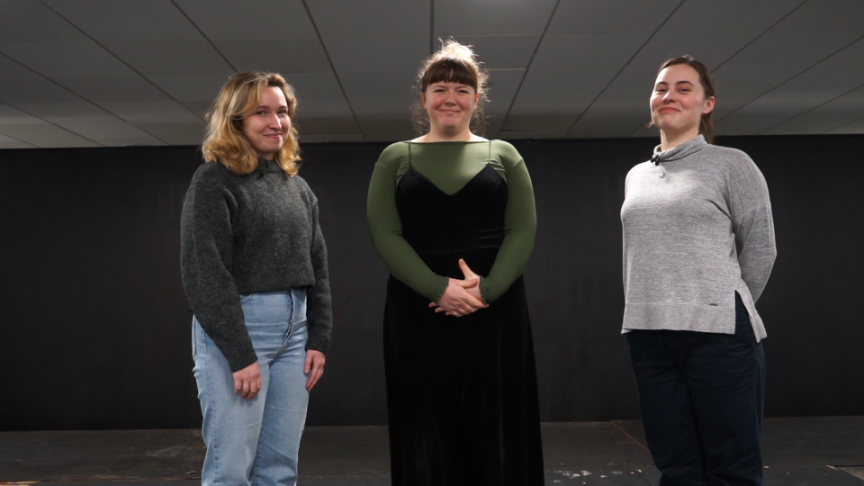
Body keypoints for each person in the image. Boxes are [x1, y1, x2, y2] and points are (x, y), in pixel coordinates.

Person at [367, 41, 545, 485]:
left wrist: (486, 290)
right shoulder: (395, 157)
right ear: (424, 97)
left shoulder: (503, 154)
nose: (451, 97)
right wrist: (436, 288)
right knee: (424, 425)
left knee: (498, 425)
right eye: (441, 88)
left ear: (476, 99)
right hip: (418, 310)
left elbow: (522, 230)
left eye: (462, 89)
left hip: (496, 311)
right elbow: (385, 233)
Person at [620, 56, 777, 486]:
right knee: (677, 468)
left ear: (707, 103)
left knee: (732, 469)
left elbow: (761, 249)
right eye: (660, 88)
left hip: (719, 336)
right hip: (650, 336)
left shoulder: (732, 164)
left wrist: (719, 305)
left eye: (683, 88)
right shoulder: (637, 176)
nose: (668, 95)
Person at [180, 72, 331, 486]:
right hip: (240, 332)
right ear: (236, 122)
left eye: (282, 112)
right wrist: (239, 352)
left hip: (295, 337)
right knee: (230, 471)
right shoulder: (213, 181)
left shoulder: (297, 188)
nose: (275, 122)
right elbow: (204, 273)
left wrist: (319, 336)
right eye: (261, 113)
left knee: (279, 472)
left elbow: (317, 266)